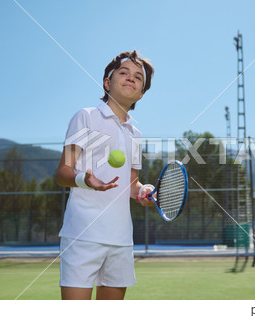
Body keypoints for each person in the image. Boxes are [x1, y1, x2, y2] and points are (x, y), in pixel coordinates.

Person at [55, 50, 155, 300]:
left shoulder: (136, 134)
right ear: (107, 82)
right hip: (82, 234)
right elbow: (62, 173)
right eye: (123, 72)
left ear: (141, 93)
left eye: (138, 77)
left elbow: (132, 185)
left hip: (121, 239)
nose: (131, 78)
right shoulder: (86, 117)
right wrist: (84, 179)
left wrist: (143, 191)